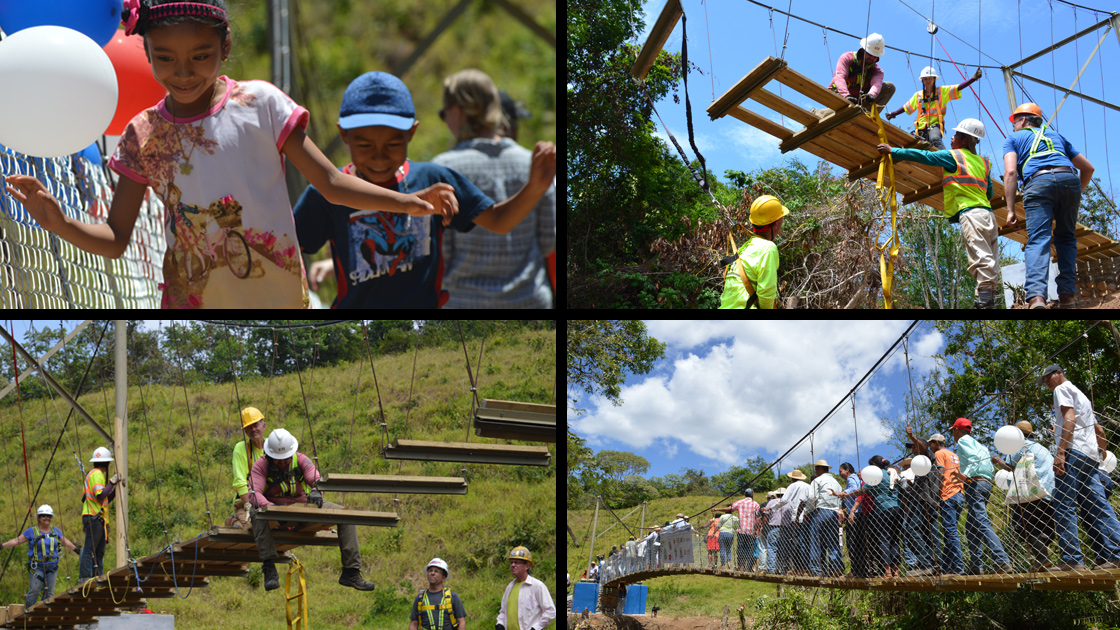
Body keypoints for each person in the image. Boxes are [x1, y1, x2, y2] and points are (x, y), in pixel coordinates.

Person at [2, 0, 456, 309]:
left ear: (225, 48)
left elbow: (333, 185)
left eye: (200, 56)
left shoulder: (261, 105)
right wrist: (57, 221)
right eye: (165, 58)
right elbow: (116, 238)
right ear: (145, 50)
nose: (183, 73)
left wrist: (410, 201)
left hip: (277, 297)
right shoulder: (144, 135)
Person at [293, 71, 556, 308]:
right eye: (364, 146)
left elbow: (499, 221)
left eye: (393, 144)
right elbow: (288, 251)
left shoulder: (433, 178)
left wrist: (535, 187)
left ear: (412, 133)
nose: (379, 157)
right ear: (344, 135)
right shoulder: (327, 193)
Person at [433, 69, 557, 309]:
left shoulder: (443, 169)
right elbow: (548, 242)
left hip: (463, 303)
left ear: (457, 111)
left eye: (444, 113)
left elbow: (441, 253)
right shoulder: (535, 164)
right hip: (529, 301)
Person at [877, 118, 998, 308]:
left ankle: (985, 303)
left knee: (980, 257)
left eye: (956, 134)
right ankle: (984, 299)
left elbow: (926, 156)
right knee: (989, 257)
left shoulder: (954, 156)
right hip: (989, 216)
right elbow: (989, 192)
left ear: (965, 140)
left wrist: (894, 151)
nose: (951, 137)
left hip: (971, 213)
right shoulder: (985, 163)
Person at [246, 428, 376, 591]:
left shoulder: (300, 460)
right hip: (274, 511)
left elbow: (315, 479)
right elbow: (254, 494)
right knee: (256, 513)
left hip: (303, 508)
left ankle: (351, 572)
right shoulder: (261, 466)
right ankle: (269, 567)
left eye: (285, 458)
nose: (282, 462)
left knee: (345, 515)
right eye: (277, 459)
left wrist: (316, 491)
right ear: (270, 455)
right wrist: (271, 509)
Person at [1002, 103, 1096, 309]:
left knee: (1038, 239)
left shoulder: (1013, 139)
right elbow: (1088, 168)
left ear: (1024, 120)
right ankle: (1068, 297)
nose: (1013, 126)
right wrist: (1075, 191)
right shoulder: (1057, 137)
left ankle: (1037, 297)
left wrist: (1010, 210)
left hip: (1038, 182)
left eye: (1015, 121)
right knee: (1067, 238)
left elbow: (1010, 173)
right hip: (1069, 178)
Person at [1039, 364, 1120, 570]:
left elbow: (1070, 419)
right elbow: (1098, 429)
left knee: (1064, 504)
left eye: (1049, 377)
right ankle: (1114, 556)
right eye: (1045, 381)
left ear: (1059, 373)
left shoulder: (1061, 389)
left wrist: (1061, 452)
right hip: (1089, 457)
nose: (1047, 383)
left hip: (1073, 454)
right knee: (1097, 506)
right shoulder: (1081, 395)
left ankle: (1072, 559)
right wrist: (1102, 450)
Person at [947, 418, 1010, 574]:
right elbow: (986, 464)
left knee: (981, 521)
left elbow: (974, 459)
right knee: (971, 525)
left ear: (956, 431)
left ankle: (1001, 560)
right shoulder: (980, 445)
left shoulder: (962, 441)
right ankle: (976, 566)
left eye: (953, 432)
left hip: (975, 485)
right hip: (986, 484)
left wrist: (964, 476)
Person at [992, 420, 1055, 571]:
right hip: (1051, 493)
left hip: (1033, 492)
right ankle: (1042, 561)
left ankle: (1042, 559)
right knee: (1042, 527)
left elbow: (1009, 467)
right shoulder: (1042, 448)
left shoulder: (1020, 446)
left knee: (1022, 525)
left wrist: (998, 460)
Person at [0, 505, 80, 608]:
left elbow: (65, 541)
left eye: (49, 516)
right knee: (34, 590)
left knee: (49, 593)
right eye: (44, 516)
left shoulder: (55, 531)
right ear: (38, 518)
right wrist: (2, 546)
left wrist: (77, 550)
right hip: (37, 567)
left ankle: (43, 613)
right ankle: (28, 612)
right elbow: (17, 541)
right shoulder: (31, 531)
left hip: (52, 566)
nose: (47, 518)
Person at [885, 66, 982, 150]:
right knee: (909, 141)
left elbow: (958, 87)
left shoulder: (942, 92)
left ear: (934, 79)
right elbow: (906, 107)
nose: (928, 81)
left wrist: (973, 79)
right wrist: (894, 114)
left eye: (930, 78)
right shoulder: (918, 95)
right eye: (925, 79)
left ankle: (946, 157)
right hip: (920, 127)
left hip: (935, 125)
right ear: (922, 80)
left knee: (935, 138)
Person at [719, 195, 788, 309]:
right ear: (776, 224)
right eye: (781, 219)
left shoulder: (748, 246)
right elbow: (766, 292)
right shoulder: (768, 248)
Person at [927, 433, 965, 575]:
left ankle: (957, 568)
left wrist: (936, 495)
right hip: (959, 494)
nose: (930, 447)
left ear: (937, 443)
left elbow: (941, 474)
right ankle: (944, 568)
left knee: (951, 533)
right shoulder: (953, 455)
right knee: (950, 533)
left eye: (931, 443)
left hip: (947, 495)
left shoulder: (939, 453)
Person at [827, 33, 895, 109]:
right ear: (863, 50)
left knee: (889, 87)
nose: (872, 58)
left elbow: (876, 84)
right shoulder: (847, 58)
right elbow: (840, 77)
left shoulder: (877, 71)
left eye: (875, 56)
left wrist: (871, 95)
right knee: (845, 109)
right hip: (838, 93)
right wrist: (846, 96)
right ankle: (817, 112)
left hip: (857, 100)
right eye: (869, 54)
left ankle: (868, 116)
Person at [79, 446, 118, 580]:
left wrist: (115, 491)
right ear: (107, 464)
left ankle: (97, 577)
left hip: (98, 518)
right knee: (90, 550)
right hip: (94, 517)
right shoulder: (96, 474)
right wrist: (112, 483)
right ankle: (85, 579)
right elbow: (101, 495)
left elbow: (105, 498)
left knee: (98, 552)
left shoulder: (96, 475)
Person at [495, 546, 555, 630]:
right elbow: (503, 612)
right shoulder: (509, 587)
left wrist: (536, 628)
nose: (513, 565)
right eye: (511, 562)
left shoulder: (537, 586)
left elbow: (550, 612)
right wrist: (500, 624)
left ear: (527, 566)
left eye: (517, 562)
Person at [228, 406, 267, 529]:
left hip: (268, 500)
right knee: (250, 527)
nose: (253, 429)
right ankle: (235, 521)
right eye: (249, 427)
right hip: (246, 502)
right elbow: (240, 482)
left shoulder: (272, 448)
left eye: (255, 425)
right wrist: (249, 506)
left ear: (263, 426)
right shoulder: (241, 449)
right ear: (245, 431)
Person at [806, 460, 843, 577]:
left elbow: (812, 497)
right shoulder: (837, 483)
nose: (816, 471)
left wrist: (806, 511)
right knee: (833, 541)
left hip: (821, 512)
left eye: (817, 469)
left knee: (815, 541)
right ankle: (836, 567)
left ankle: (816, 569)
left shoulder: (817, 480)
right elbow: (840, 500)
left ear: (821, 469)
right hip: (834, 513)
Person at [409, 558, 466, 630]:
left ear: (443, 578)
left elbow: (461, 621)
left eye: (436, 571)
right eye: (430, 570)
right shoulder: (420, 598)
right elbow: (414, 624)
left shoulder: (452, 596)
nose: (432, 573)